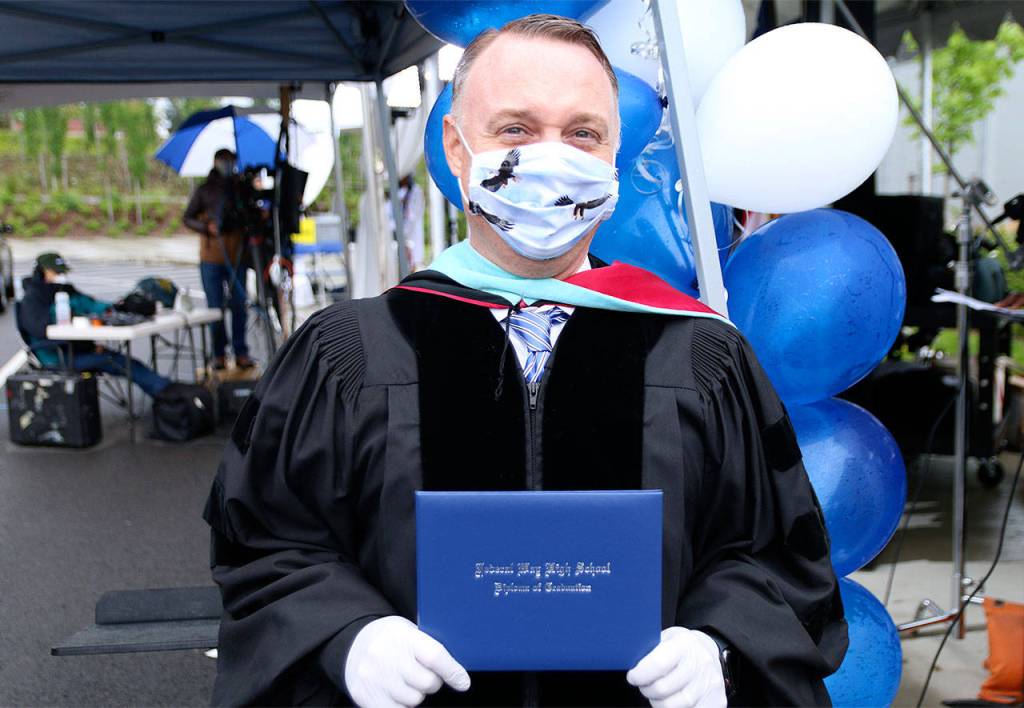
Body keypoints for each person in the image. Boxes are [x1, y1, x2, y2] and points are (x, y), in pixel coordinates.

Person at [203, 15, 847, 708]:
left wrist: (720, 644)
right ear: (456, 147)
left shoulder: (701, 355)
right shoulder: (349, 354)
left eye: (582, 134)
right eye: (515, 129)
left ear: (613, 156)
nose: (552, 157)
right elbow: (265, 541)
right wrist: (346, 636)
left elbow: (776, 555)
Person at [17, 252, 171, 396]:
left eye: (61, 272)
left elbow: (94, 306)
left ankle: (166, 391)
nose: (61, 276)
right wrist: (87, 346)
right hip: (58, 355)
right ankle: (167, 392)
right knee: (119, 362)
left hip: (76, 348)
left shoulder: (64, 290)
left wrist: (117, 308)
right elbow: (43, 332)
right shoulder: (32, 300)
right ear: (43, 272)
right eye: (56, 272)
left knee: (122, 361)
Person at [183, 148, 254, 371]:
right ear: (215, 162)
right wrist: (206, 227)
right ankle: (219, 354)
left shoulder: (241, 188)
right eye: (224, 162)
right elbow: (187, 218)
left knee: (239, 305)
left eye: (230, 162)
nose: (227, 165)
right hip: (211, 257)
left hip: (237, 256)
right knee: (215, 308)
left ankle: (241, 351)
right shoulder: (205, 189)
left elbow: (250, 215)